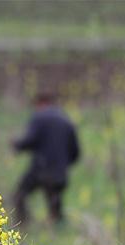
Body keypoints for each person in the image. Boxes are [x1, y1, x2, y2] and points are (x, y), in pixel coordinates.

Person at [11, 92, 80, 225]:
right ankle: (58, 232)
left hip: (41, 169)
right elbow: (76, 152)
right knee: (55, 204)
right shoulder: (66, 121)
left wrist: (16, 145)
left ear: (41, 103)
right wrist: (63, 164)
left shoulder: (40, 117)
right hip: (60, 172)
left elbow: (30, 140)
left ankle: (22, 226)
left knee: (19, 195)